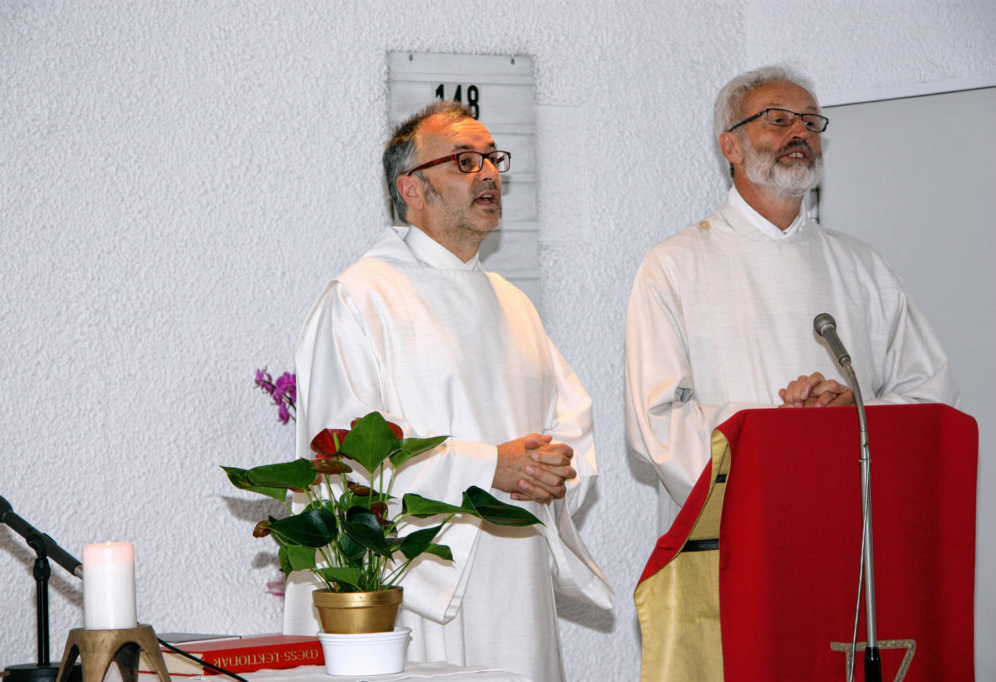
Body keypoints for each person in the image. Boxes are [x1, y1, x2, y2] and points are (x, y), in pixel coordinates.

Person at [284, 100, 613, 681]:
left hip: (517, 581)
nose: (489, 175)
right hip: (414, 586)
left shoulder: (513, 303)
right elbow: (342, 457)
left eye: (492, 160)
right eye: (465, 161)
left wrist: (554, 468)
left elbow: (572, 420)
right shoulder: (361, 299)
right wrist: (489, 467)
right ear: (412, 188)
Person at [625, 65, 958, 530]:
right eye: (777, 119)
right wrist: (782, 429)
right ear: (731, 145)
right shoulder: (674, 265)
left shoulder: (862, 266)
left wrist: (853, 414)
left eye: (810, 121)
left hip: (851, 526)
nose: (800, 131)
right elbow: (656, 424)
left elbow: (931, 398)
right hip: (738, 534)